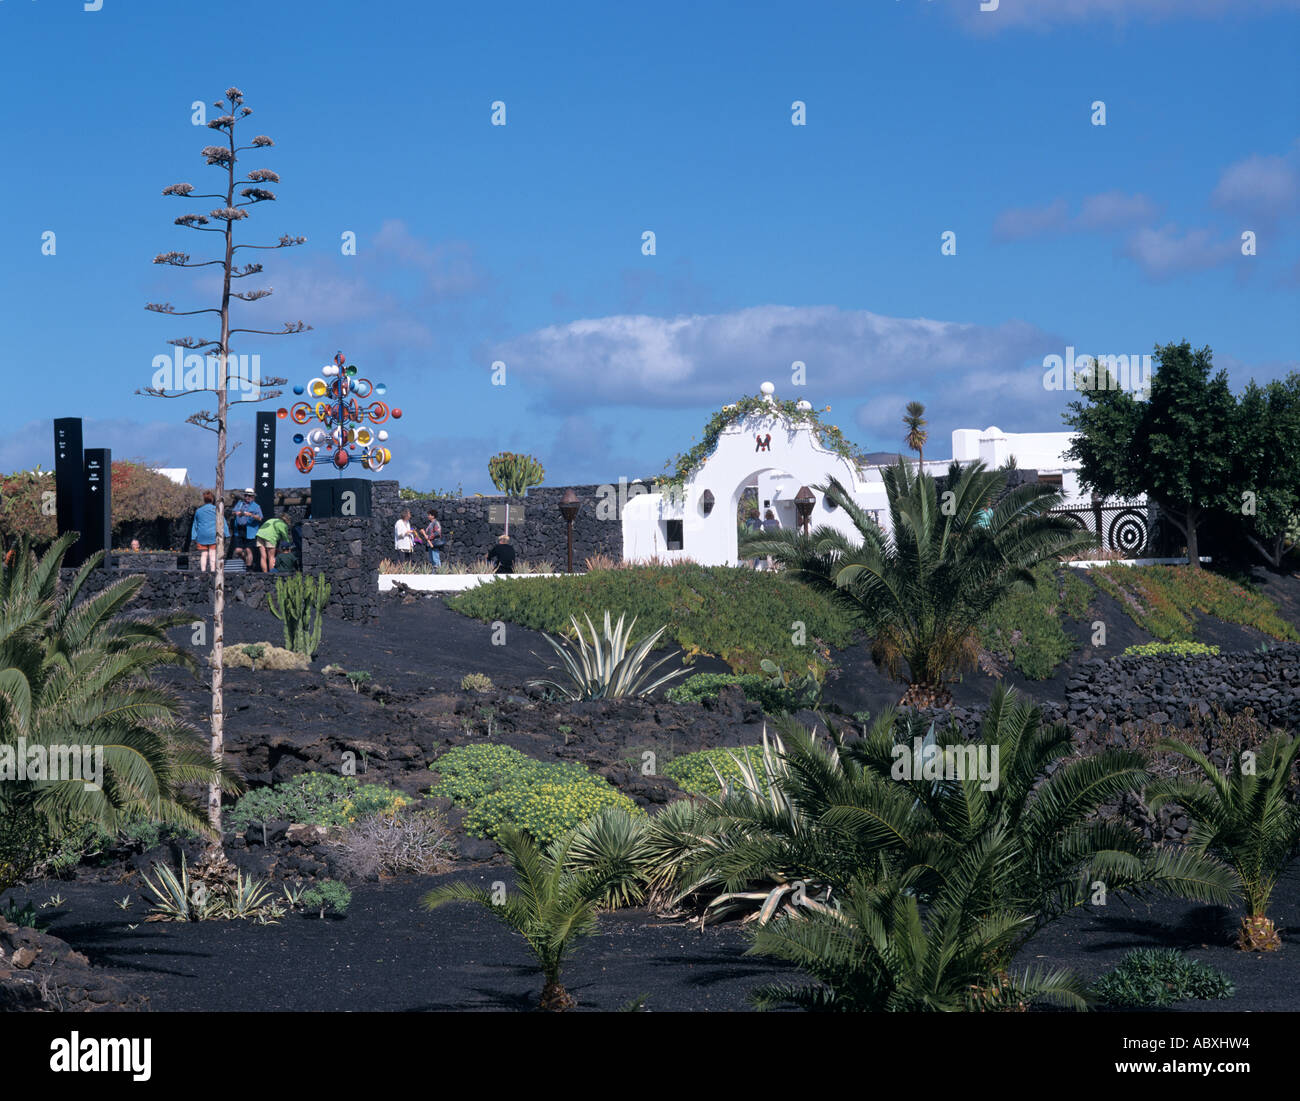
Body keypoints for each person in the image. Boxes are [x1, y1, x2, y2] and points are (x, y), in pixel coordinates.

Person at [190, 490, 229, 573]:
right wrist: (227, 533)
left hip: (201, 535)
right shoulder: (216, 509)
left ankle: (203, 572)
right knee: (212, 554)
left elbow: (195, 524)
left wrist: (193, 536)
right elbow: (223, 522)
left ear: (204, 500)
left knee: (203, 554)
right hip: (213, 535)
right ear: (212, 500)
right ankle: (212, 571)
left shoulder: (198, 511)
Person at [231, 489, 263, 570]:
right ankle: (247, 562)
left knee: (249, 550)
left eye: (249, 496)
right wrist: (236, 513)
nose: (247, 497)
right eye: (246, 495)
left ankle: (249, 568)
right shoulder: (240, 503)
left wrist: (250, 515)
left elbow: (260, 518)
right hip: (239, 530)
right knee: (238, 551)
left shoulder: (256, 506)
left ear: (253, 497)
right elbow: (233, 512)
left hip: (250, 531)